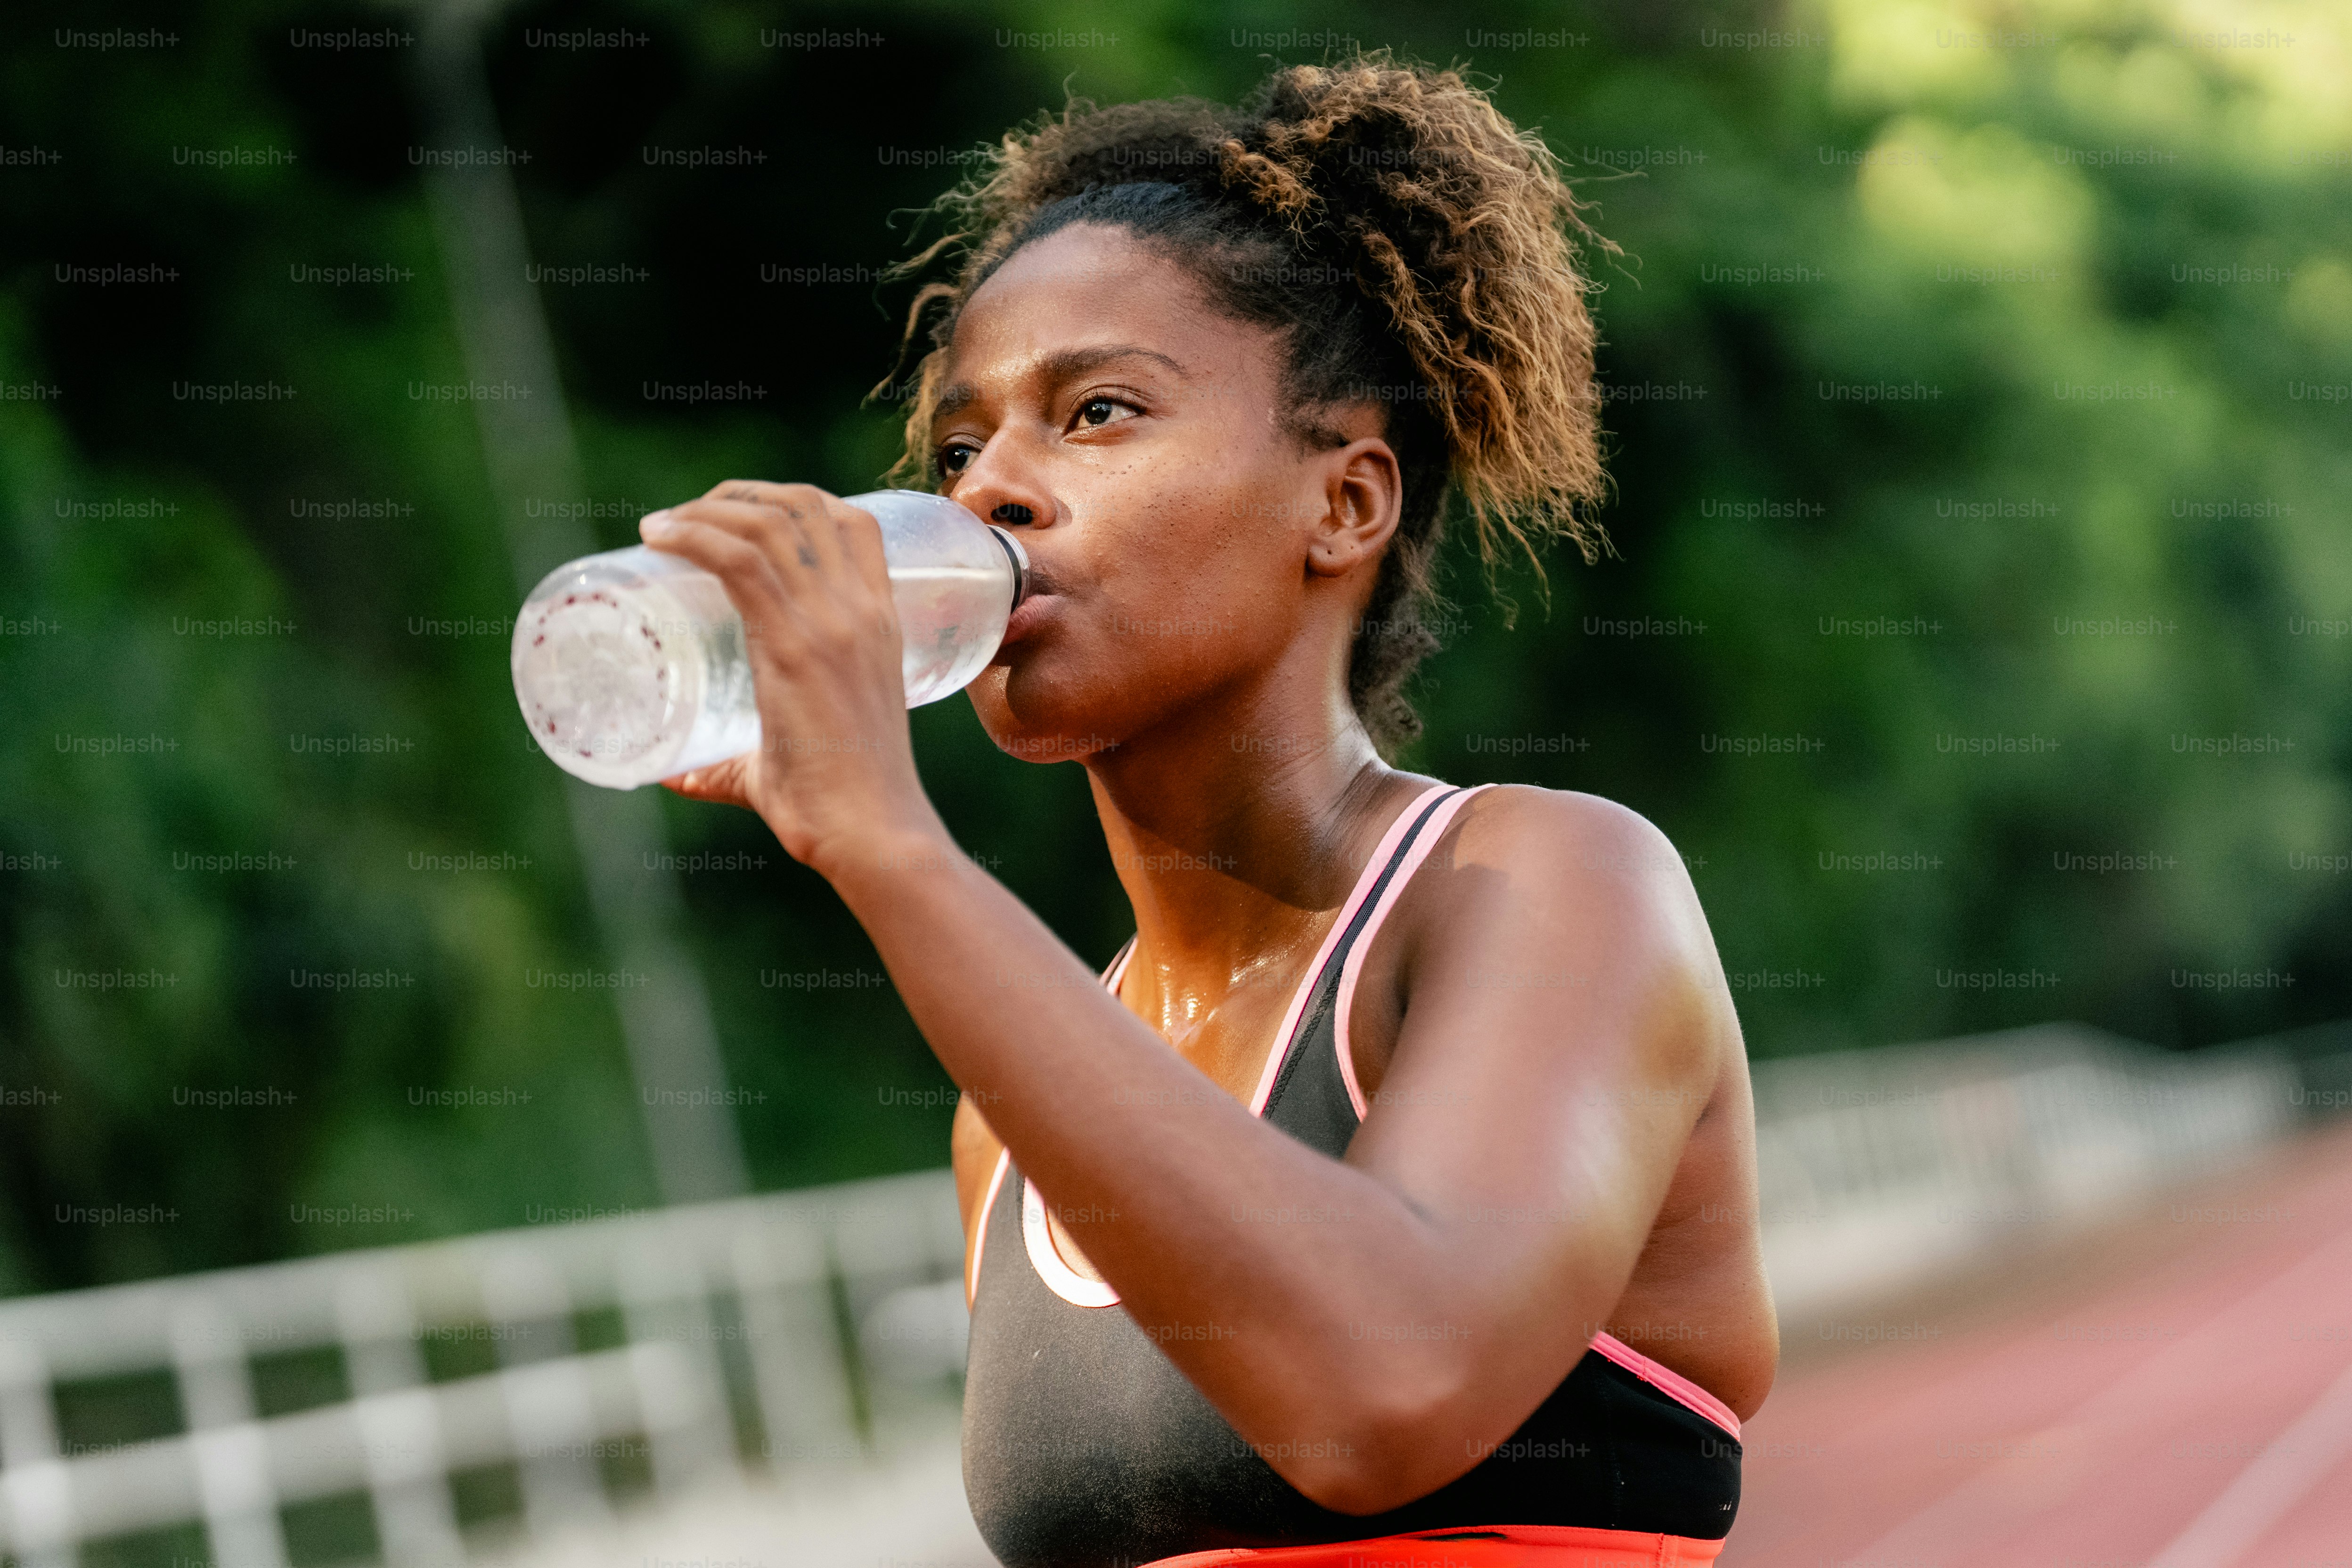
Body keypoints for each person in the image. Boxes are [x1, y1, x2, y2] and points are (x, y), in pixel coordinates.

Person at [637, 49, 1775, 1568]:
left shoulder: (1549, 885)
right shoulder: (1010, 1122)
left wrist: (888, 844)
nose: (992, 494)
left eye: (1098, 412)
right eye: (961, 448)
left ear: (1346, 503)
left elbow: (1386, 1392)